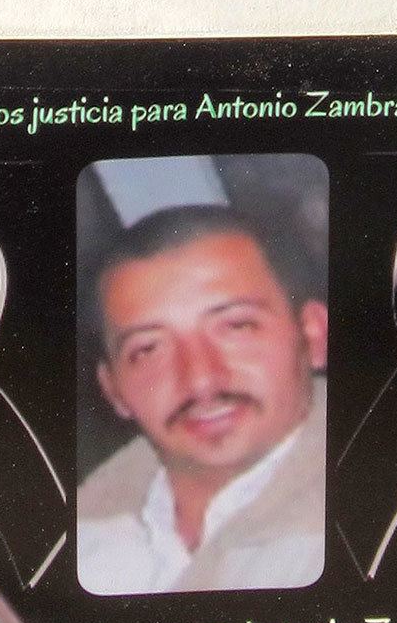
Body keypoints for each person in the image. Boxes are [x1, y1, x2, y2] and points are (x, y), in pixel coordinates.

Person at [76, 204, 328, 595]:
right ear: (114, 390)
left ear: (313, 336)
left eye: (236, 326)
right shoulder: (81, 539)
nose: (200, 380)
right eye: (148, 349)